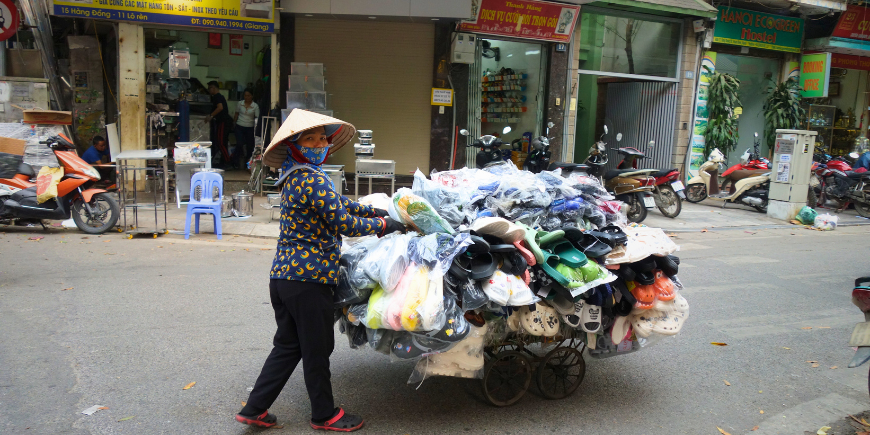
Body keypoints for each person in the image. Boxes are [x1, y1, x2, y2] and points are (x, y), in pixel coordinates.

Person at [235, 109, 405, 431]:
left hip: (283, 279)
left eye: (322, 137)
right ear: (296, 145)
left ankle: (254, 408)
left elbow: (343, 205)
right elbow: (344, 222)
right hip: (308, 281)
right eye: (309, 138)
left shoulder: (295, 177)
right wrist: (383, 224)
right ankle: (324, 415)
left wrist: (380, 210)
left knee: (289, 345)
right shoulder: (311, 178)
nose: (318, 143)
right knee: (316, 348)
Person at [204, 81, 232, 166]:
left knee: (220, 143)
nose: (209, 90)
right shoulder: (218, 97)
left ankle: (227, 162)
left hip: (222, 122)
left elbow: (220, 107)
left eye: (210, 88)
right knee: (222, 142)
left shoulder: (217, 97)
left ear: (214, 88)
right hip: (223, 122)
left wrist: (211, 116)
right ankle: (224, 161)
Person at [232, 89, 259, 169]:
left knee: (249, 146)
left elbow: (257, 118)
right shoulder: (240, 104)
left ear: (252, 96)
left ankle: (248, 164)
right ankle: (235, 161)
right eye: (245, 95)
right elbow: (236, 114)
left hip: (250, 128)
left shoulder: (255, 106)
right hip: (239, 126)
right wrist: (233, 123)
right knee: (239, 144)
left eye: (248, 95)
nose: (246, 97)